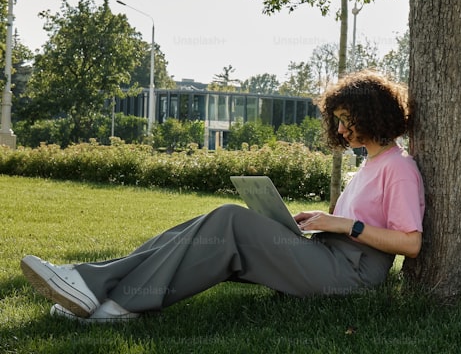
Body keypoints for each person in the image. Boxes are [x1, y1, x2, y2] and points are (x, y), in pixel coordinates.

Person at [20, 70, 425, 323]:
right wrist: (323, 219)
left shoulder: (399, 167)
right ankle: (101, 292)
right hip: (329, 257)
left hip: (351, 277)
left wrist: (343, 224)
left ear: (372, 115)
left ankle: (110, 296)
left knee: (229, 219)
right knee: (195, 232)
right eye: (336, 123)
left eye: (346, 121)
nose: (340, 132)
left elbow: (411, 243)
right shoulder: (367, 166)